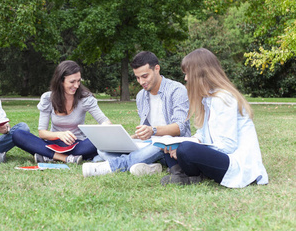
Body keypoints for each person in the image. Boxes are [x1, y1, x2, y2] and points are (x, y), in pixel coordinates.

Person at [160, 48, 268, 188]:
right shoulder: (208, 98)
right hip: (220, 156)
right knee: (170, 143)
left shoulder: (223, 98)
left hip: (234, 163)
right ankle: (183, 173)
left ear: (200, 74)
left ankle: (184, 173)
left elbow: (228, 145)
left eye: (187, 74)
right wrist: (177, 144)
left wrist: (187, 147)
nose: (186, 79)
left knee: (187, 149)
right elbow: (203, 135)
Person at [82, 51, 191, 177]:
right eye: (138, 77)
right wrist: (130, 138)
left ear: (157, 69)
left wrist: (152, 131)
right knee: (102, 149)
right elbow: (146, 132)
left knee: (158, 144)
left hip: (170, 145)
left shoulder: (177, 90)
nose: (141, 82)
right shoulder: (141, 96)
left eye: (145, 76)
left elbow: (179, 127)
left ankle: (111, 166)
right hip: (149, 143)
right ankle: (149, 166)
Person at [13, 60, 111, 164]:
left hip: (78, 145)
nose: (77, 86)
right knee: (17, 134)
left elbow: (104, 121)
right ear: (60, 81)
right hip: (53, 143)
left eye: (78, 81)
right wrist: (59, 135)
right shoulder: (48, 98)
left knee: (98, 141)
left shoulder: (85, 98)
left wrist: (106, 127)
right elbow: (42, 133)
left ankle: (47, 155)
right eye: (72, 82)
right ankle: (64, 158)